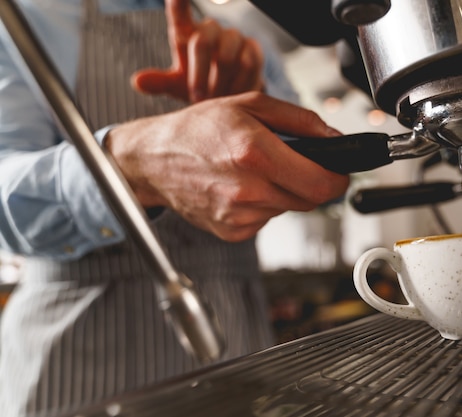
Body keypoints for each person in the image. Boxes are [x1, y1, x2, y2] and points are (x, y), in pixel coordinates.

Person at [0, 0, 350, 416]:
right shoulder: (22, 21)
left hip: (236, 336)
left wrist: (265, 127)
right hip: (77, 355)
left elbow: (326, 187)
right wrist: (128, 165)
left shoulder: (247, 37)